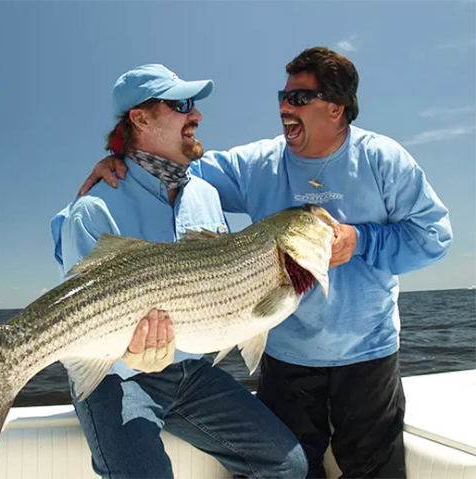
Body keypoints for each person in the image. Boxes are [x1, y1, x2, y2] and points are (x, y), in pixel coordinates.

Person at [78, 48, 453, 478]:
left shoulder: (384, 159)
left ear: (336, 108)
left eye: (298, 98)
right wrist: (119, 157)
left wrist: (361, 240)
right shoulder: (256, 164)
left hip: (368, 352)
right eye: (282, 96)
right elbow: (174, 161)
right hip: (285, 357)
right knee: (291, 469)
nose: (284, 107)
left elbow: (434, 237)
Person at [50, 64, 308, 479]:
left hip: (192, 373)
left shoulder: (206, 194)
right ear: (141, 118)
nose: (198, 115)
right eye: (183, 104)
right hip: (116, 379)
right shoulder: (92, 210)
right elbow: (80, 323)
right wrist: (126, 353)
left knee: (287, 465)